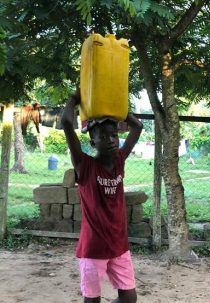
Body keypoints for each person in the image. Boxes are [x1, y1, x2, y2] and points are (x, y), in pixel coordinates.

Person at [62, 89, 143, 303]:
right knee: (92, 300)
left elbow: (138, 127)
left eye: (114, 135)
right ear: (92, 142)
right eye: (103, 136)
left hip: (118, 246)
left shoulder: (119, 160)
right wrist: (74, 99)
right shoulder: (84, 165)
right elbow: (67, 123)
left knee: (129, 298)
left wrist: (116, 105)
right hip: (93, 248)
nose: (111, 140)